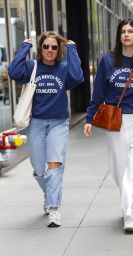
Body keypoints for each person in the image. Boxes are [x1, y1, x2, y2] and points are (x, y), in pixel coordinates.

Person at [84, 18, 133, 233]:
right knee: (119, 170)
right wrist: (90, 118)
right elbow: (98, 90)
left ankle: (131, 214)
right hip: (115, 121)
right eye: (123, 31)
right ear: (119, 36)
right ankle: (127, 202)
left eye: (130, 31)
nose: (126, 34)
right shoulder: (108, 60)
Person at [8, 31, 84, 228]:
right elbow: (14, 72)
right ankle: (48, 192)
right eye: (46, 46)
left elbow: (77, 76)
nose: (50, 50)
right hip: (37, 123)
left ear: (58, 50)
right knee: (38, 167)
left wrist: (72, 49)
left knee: (54, 166)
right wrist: (25, 47)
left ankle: (54, 208)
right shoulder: (32, 67)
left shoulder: (64, 68)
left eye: (54, 47)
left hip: (59, 123)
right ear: (40, 48)